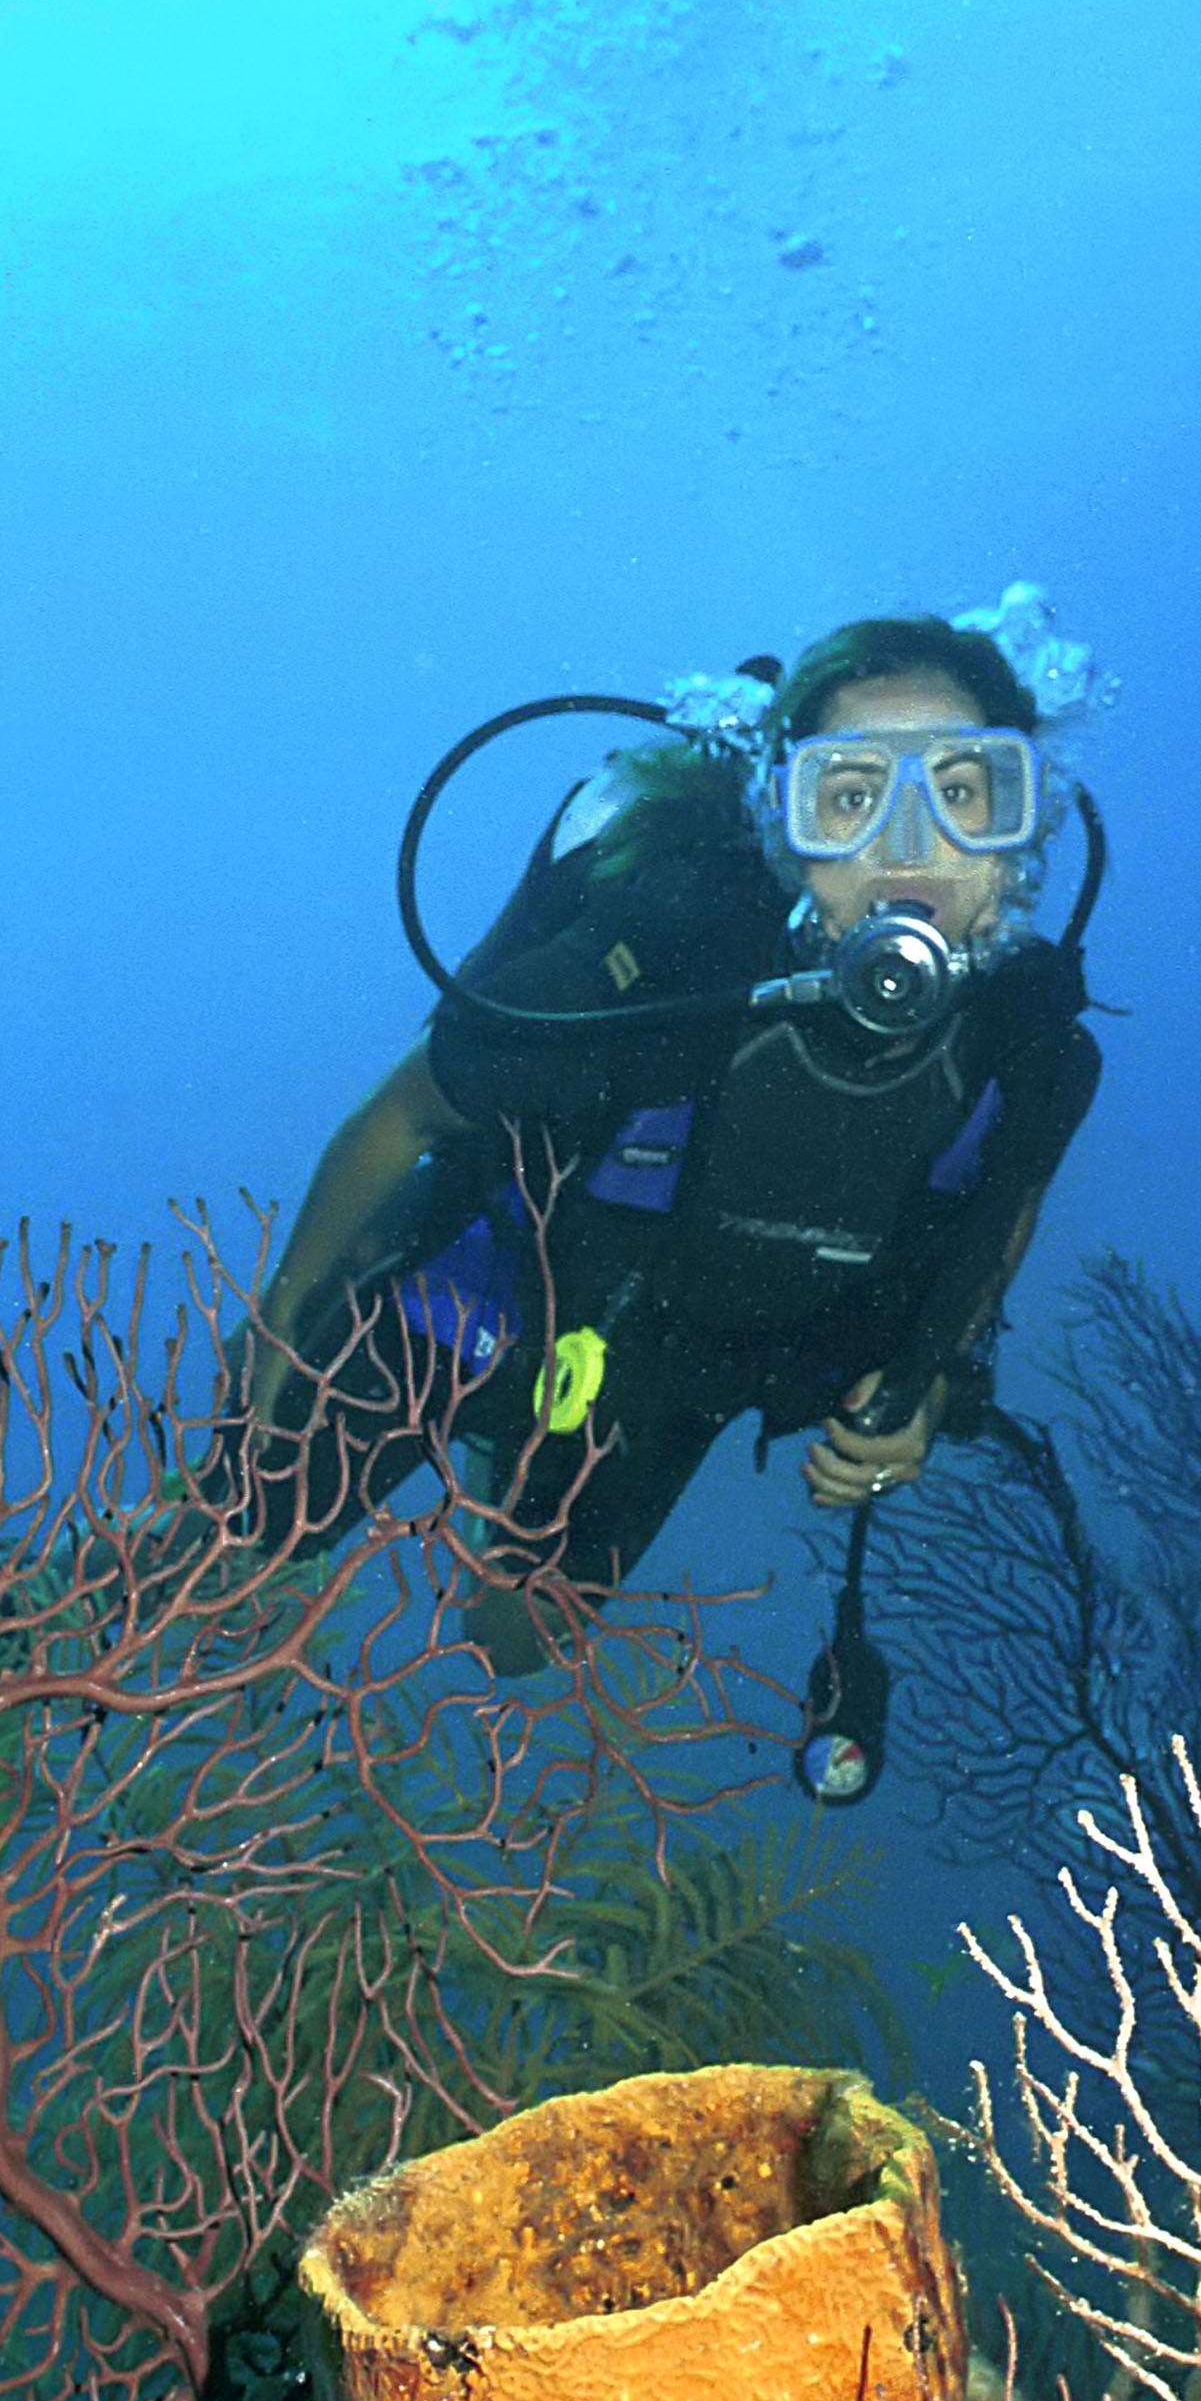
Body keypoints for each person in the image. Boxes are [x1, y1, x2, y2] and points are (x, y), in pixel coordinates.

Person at [241, 603, 1106, 1649]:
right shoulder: (661, 956)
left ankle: (512, 1470)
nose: (909, 843)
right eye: (849, 797)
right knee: (247, 1526)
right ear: (787, 832)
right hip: (504, 1279)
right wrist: (282, 1317)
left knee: (518, 1646)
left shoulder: (1033, 1051)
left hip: (689, 1365)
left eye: (965, 793)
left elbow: (1002, 1216)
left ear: (1023, 833)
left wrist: (924, 1382)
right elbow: (400, 1114)